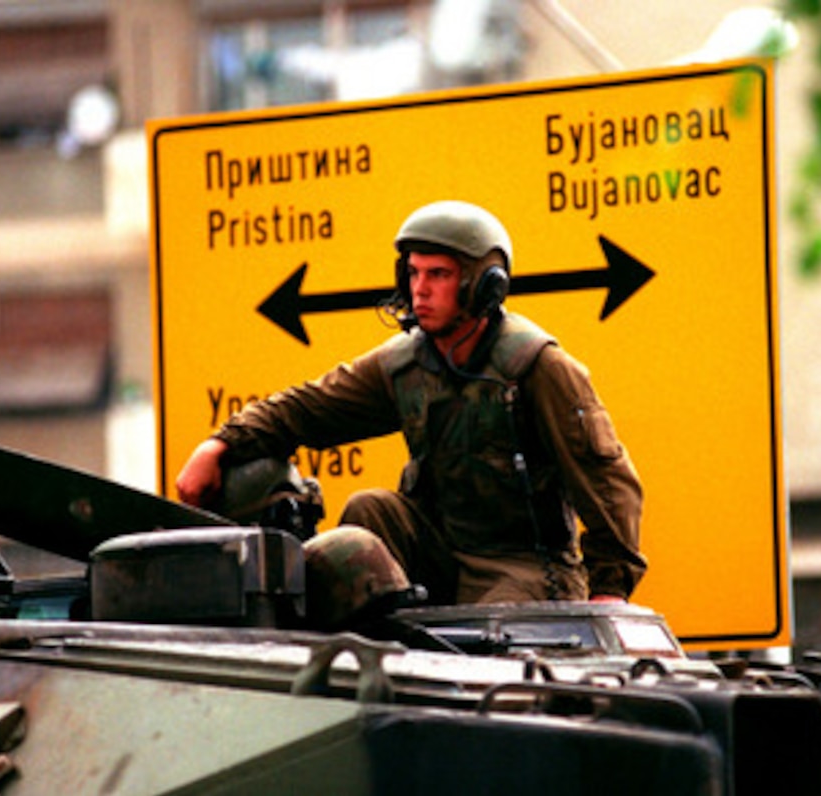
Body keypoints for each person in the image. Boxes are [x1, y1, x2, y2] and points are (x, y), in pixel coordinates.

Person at [176, 200, 646, 605]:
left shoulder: (535, 367)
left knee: (494, 636)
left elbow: (607, 482)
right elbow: (307, 409)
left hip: (524, 566)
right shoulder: (409, 364)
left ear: (484, 286)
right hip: (443, 553)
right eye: (414, 273)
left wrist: (610, 591)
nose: (419, 289)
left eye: (438, 275)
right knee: (368, 512)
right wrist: (219, 446)